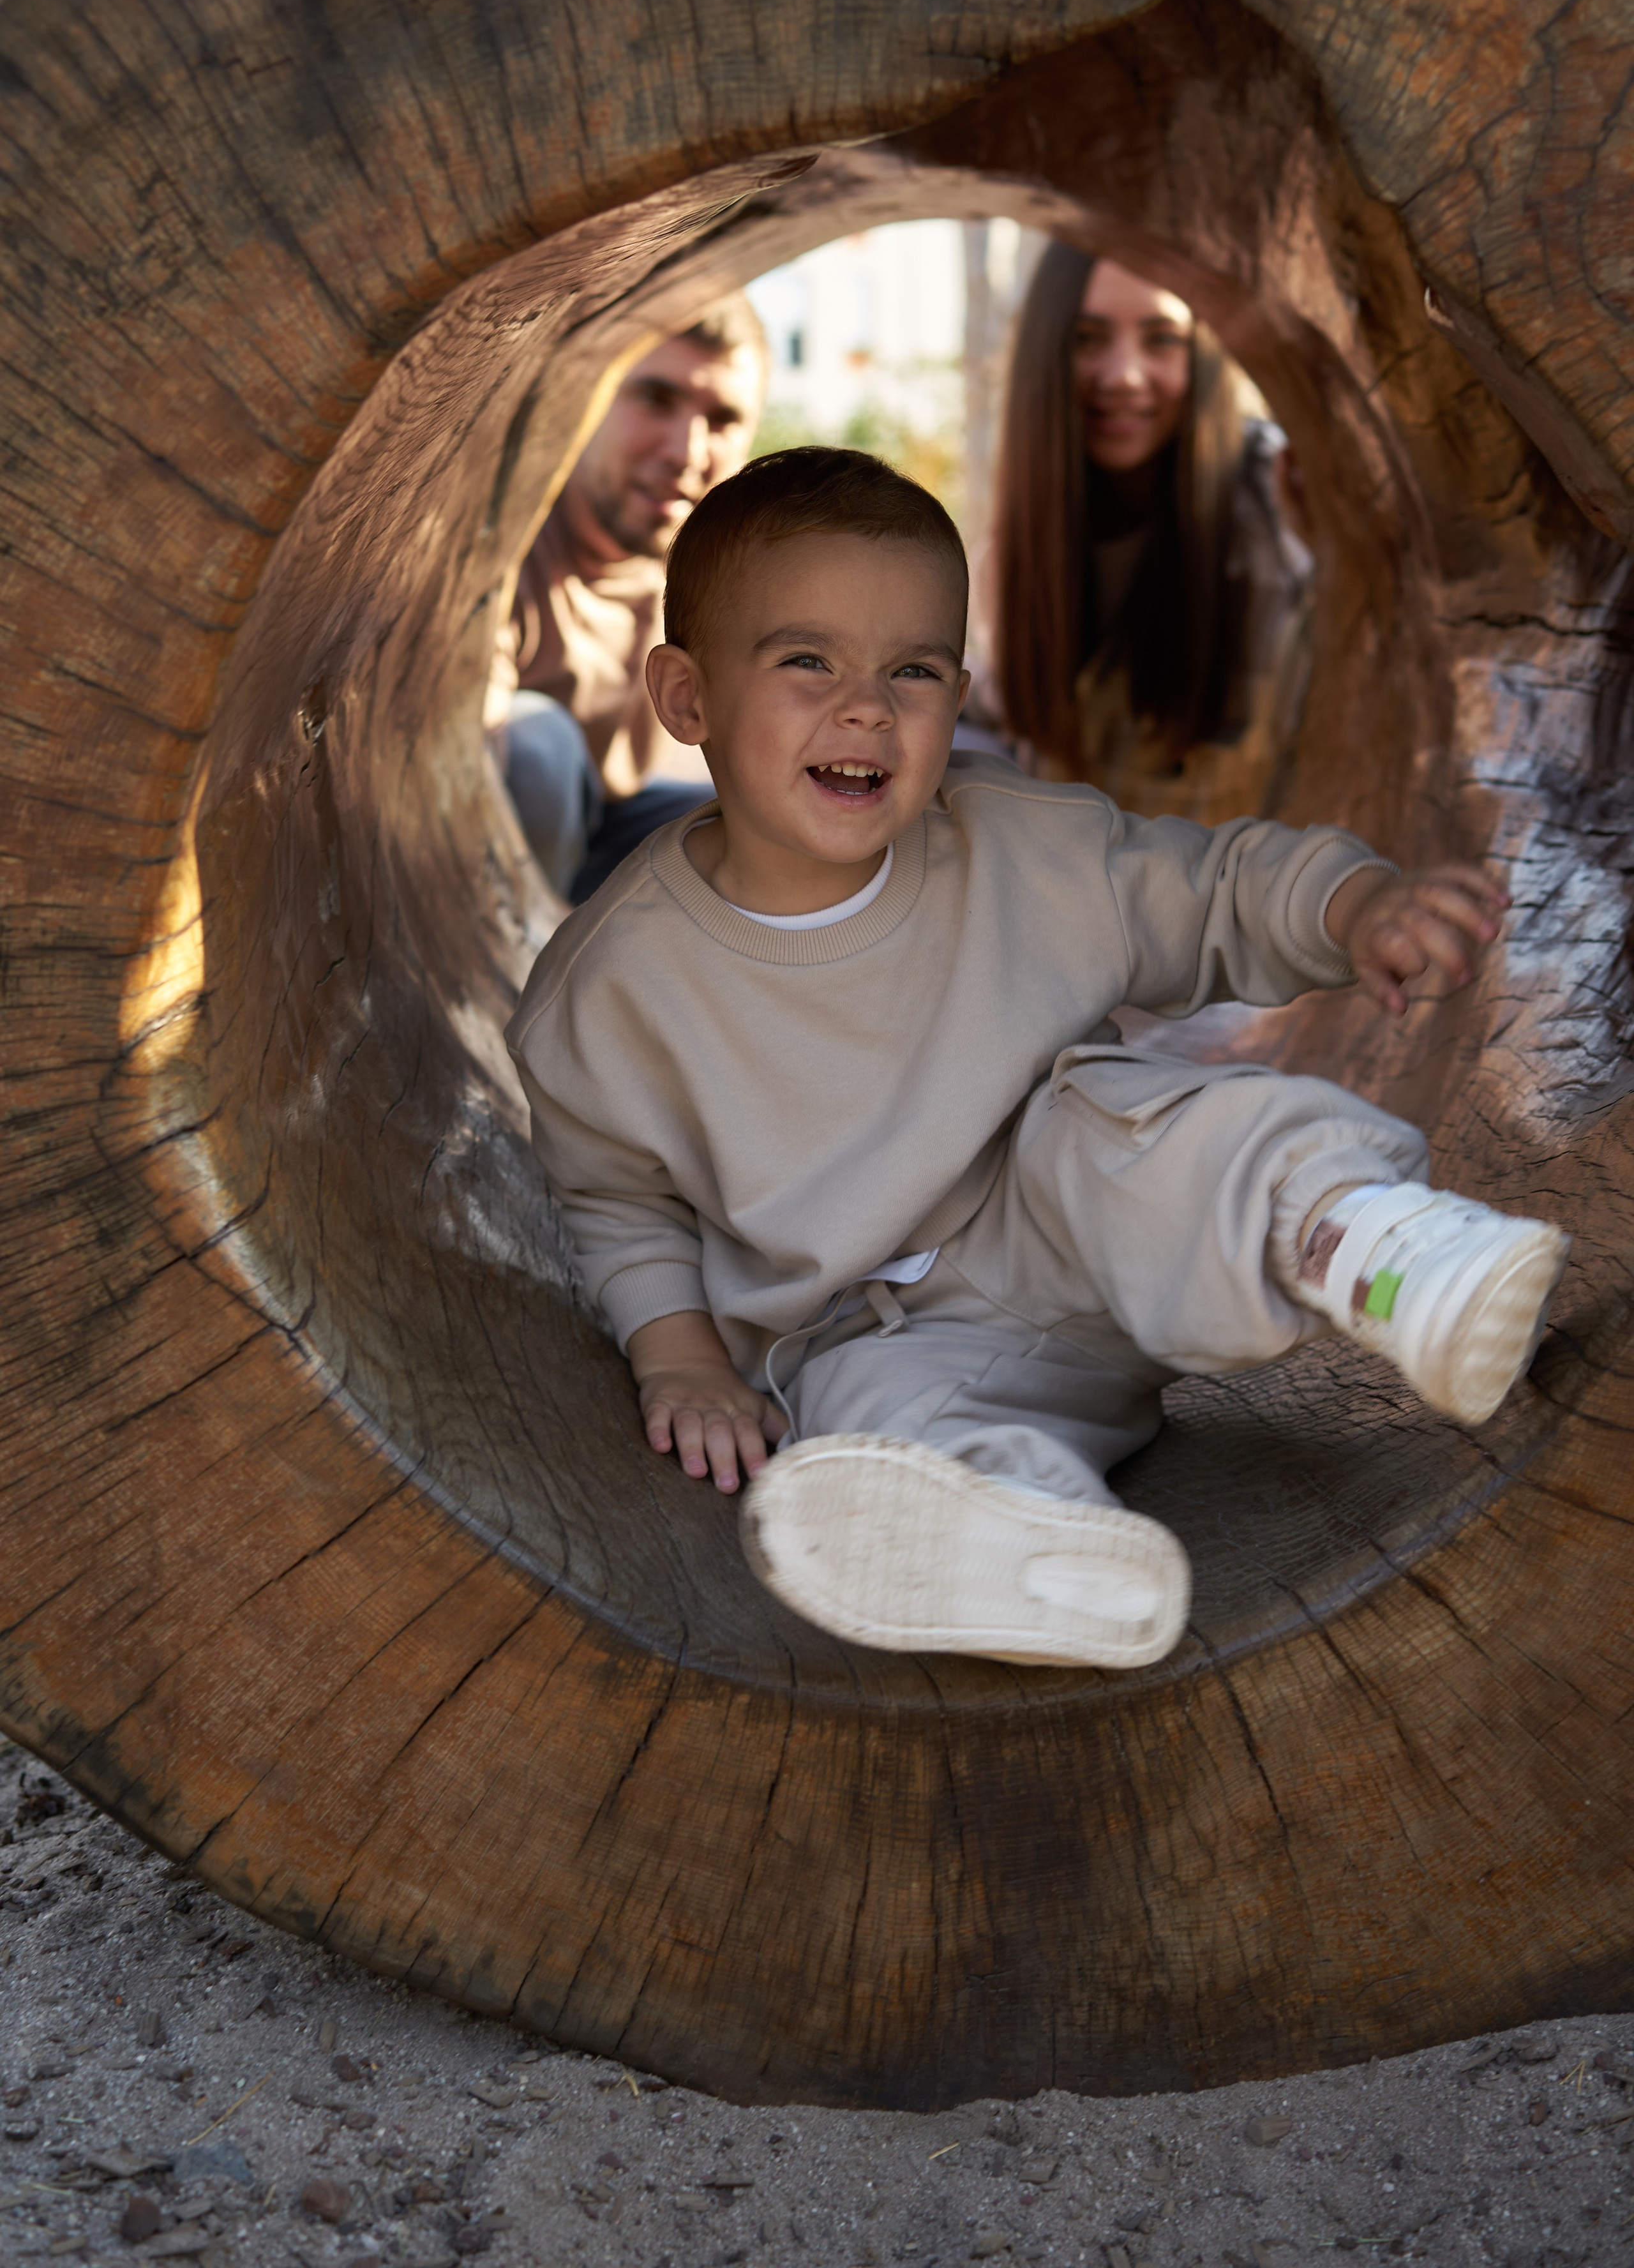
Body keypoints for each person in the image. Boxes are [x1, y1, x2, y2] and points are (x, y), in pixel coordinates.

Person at [506, 448, 1568, 1670]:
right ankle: (1040, 1550)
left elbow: (1211, 890)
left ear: (959, 697)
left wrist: (1354, 908)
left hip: (1095, 1233)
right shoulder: (610, 990)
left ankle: (1374, 1251)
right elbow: (612, 1199)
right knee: (856, 1431)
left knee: (1109, 1119)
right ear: (686, 697)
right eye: (809, 661)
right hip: (885, 1339)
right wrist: (682, 1356)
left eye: (914, 670)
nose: (867, 708)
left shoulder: (1017, 849)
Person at [982, 244, 1310, 822]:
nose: (1124, 376)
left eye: (1161, 338)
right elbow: (996, 723)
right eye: (1088, 338)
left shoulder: (1278, 508)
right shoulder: (1017, 549)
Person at [496, 297, 767, 901]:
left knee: (768, 826)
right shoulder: (500, 543)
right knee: (538, 750)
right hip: (472, 868)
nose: (686, 452)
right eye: (656, 399)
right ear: (587, 398)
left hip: (602, 835)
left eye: (721, 420)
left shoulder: (704, 576)